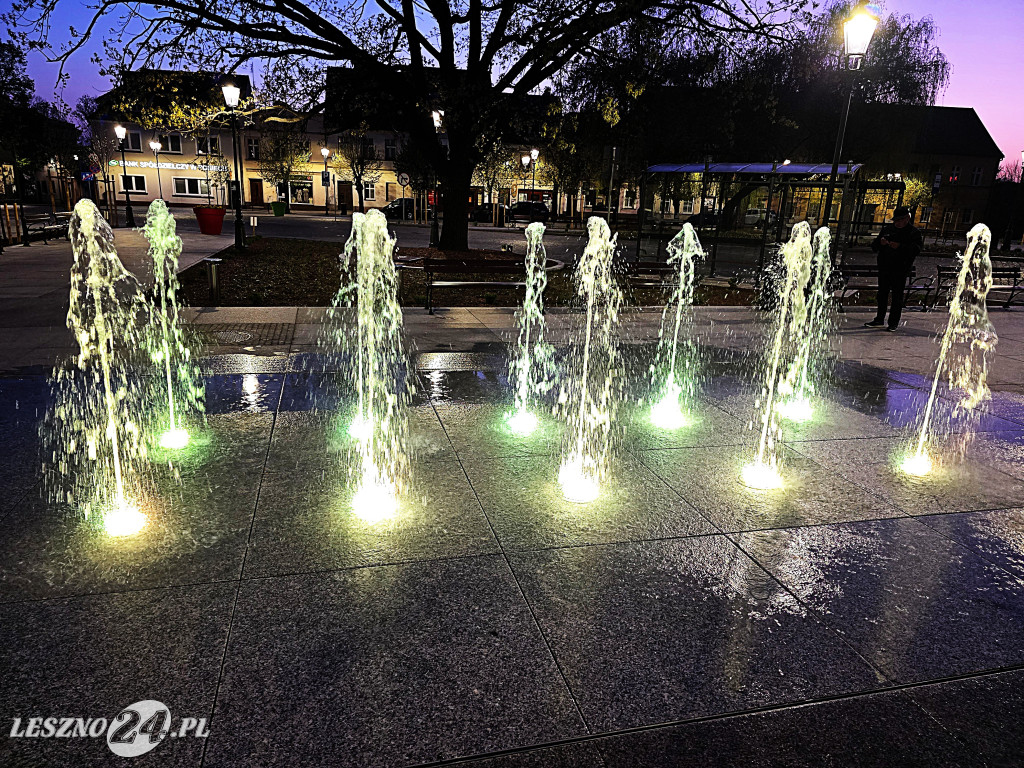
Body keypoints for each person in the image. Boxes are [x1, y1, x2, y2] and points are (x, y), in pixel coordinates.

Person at [865, 206, 923, 332]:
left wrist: (900, 246)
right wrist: (880, 243)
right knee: (882, 294)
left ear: (907, 218)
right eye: (896, 220)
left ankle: (893, 322)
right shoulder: (888, 229)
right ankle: (879, 319)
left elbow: (916, 250)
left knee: (897, 297)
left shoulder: (913, 233)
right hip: (885, 267)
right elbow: (874, 246)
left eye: (900, 220)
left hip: (900, 269)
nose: (898, 223)